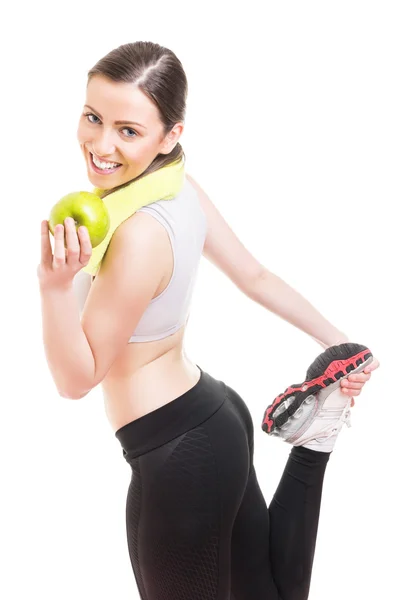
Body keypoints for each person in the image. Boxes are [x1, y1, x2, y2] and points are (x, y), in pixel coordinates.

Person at [37, 41, 379, 600]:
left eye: (128, 130)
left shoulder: (137, 234)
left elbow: (76, 380)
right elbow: (255, 277)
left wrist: (52, 287)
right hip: (214, 417)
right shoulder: (176, 188)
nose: (101, 145)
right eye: (94, 118)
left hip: (178, 457)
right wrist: (344, 347)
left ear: (171, 134)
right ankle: (316, 438)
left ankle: (317, 437)